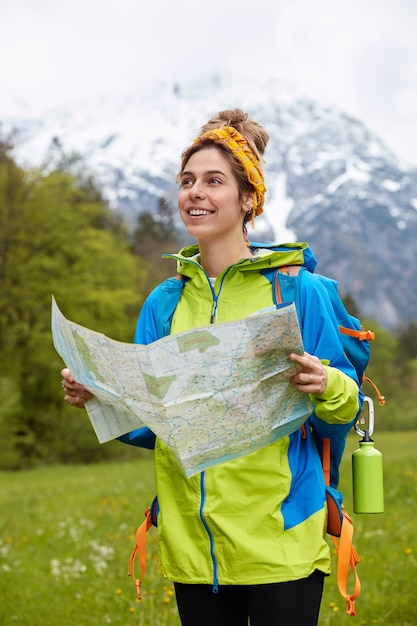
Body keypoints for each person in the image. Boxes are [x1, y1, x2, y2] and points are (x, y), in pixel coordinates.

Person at [61, 108, 361, 626]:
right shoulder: (164, 303)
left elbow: (342, 416)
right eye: (187, 181)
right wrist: (103, 395)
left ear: (248, 199)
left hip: (280, 540)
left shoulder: (296, 292)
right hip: (194, 550)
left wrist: (327, 383)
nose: (195, 192)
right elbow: (158, 427)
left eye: (213, 181)